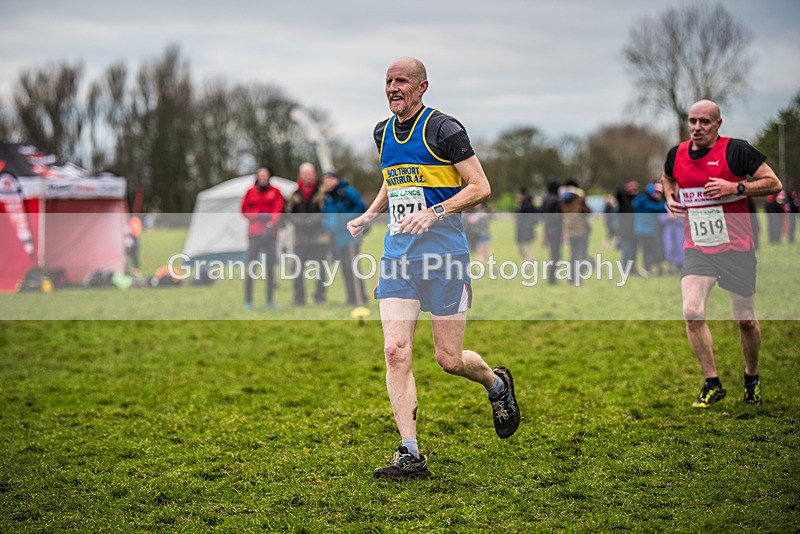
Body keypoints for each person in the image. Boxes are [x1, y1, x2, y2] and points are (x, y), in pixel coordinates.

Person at [346, 57, 520, 480]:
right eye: (388, 81)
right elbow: (396, 178)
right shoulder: (381, 132)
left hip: (444, 258)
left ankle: (496, 385)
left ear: (422, 87)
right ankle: (410, 453)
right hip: (398, 257)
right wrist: (371, 215)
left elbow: (480, 186)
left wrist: (435, 211)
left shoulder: (444, 129)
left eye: (401, 81)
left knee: (449, 358)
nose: (392, 87)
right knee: (394, 351)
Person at [661, 99, 782, 409]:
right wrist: (670, 200)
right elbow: (667, 178)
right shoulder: (676, 154)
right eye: (693, 121)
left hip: (737, 247)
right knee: (691, 311)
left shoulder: (736, 151)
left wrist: (735, 188)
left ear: (718, 124)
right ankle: (712, 382)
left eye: (704, 122)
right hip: (698, 247)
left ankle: (751, 379)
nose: (697, 127)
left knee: (745, 321)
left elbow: (773, 183)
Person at [241, 164, 285, 310]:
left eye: (265, 174)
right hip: (254, 234)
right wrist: (257, 216)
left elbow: (278, 209)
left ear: (269, 176)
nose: (262, 177)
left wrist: (272, 222)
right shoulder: (250, 192)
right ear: (257, 176)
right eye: (260, 174)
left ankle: (269, 301)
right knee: (251, 266)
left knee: (270, 267)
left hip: (270, 234)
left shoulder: (276, 192)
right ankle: (248, 301)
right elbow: (244, 210)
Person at [285, 162, 329, 305]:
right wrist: (301, 222)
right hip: (300, 238)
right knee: (297, 269)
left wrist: (311, 221)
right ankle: (299, 298)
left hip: (319, 238)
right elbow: (289, 213)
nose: (308, 176)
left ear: (314, 174)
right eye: (305, 173)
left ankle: (320, 297)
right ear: (300, 175)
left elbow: (325, 211)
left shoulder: (322, 192)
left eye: (310, 173)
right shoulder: (295, 194)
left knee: (320, 269)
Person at [322, 171, 367, 306]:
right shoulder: (327, 197)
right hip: (336, 238)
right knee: (344, 269)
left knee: (352, 267)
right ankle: (350, 298)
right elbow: (325, 214)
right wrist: (330, 225)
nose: (327, 182)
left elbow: (361, 207)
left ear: (336, 179)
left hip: (351, 237)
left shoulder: (347, 192)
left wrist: (345, 221)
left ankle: (360, 297)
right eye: (325, 180)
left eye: (330, 179)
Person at [560, 179, 592, 284]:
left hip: (570, 231)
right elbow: (588, 211)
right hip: (581, 231)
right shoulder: (579, 199)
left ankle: (570, 277)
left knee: (572, 254)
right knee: (581, 254)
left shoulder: (563, 201)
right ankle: (578, 278)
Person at [632, 182, 666, 277]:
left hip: (640, 230)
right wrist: (661, 200)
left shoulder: (639, 200)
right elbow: (661, 208)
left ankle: (648, 268)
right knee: (655, 250)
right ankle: (652, 267)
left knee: (646, 250)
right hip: (649, 230)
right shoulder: (648, 203)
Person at [541, 179, 563, 285]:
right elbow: (557, 217)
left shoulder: (546, 199)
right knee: (556, 255)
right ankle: (552, 278)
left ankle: (551, 277)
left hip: (548, 229)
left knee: (552, 254)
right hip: (556, 230)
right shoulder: (556, 200)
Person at [615, 180, 639, 272]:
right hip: (625, 230)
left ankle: (633, 269)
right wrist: (627, 187)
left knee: (634, 252)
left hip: (635, 230)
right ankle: (626, 269)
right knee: (626, 251)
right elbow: (619, 191)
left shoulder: (636, 200)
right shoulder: (623, 199)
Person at [515, 187, 538, 262]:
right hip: (521, 230)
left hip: (526, 230)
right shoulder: (521, 206)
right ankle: (528, 261)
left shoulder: (528, 207)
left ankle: (529, 263)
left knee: (528, 247)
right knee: (521, 248)